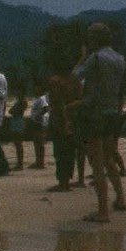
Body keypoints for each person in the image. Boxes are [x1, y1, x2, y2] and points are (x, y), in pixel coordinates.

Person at [73, 23, 126, 222]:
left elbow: (75, 77)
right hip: (112, 111)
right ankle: (120, 198)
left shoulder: (95, 58)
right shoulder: (120, 58)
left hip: (95, 112)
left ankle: (103, 210)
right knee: (108, 158)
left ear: (94, 38)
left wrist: (82, 56)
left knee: (97, 162)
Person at [47, 58, 83, 192]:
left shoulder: (55, 81)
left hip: (60, 120)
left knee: (60, 151)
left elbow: (58, 102)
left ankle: (63, 182)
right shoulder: (75, 80)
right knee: (69, 152)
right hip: (74, 119)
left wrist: (64, 119)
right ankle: (66, 180)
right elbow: (80, 99)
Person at [27, 86, 49, 169]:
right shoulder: (37, 99)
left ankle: (41, 162)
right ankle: (38, 161)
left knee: (39, 143)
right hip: (36, 122)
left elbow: (46, 108)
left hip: (39, 123)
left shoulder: (42, 98)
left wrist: (38, 116)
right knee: (36, 143)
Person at [8, 87, 27, 171]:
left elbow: (12, 111)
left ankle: (20, 164)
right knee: (17, 144)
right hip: (17, 121)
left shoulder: (22, 102)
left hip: (18, 122)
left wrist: (13, 110)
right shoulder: (19, 101)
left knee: (18, 143)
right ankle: (19, 163)